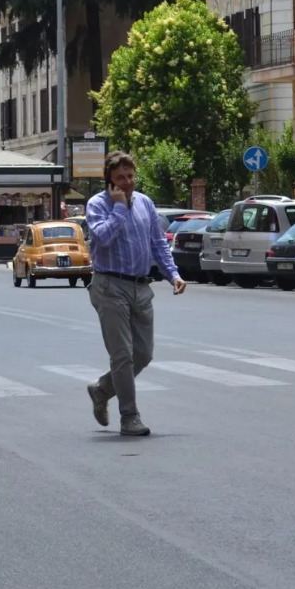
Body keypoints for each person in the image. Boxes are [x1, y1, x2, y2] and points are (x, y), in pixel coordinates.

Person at [82, 150, 187, 437]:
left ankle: (102, 389)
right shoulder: (98, 204)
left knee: (143, 353)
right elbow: (101, 237)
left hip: (141, 286)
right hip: (110, 286)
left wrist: (173, 274)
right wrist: (118, 208)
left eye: (130, 176)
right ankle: (130, 417)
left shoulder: (145, 203)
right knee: (122, 356)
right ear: (110, 180)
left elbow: (158, 243)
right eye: (120, 178)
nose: (127, 182)